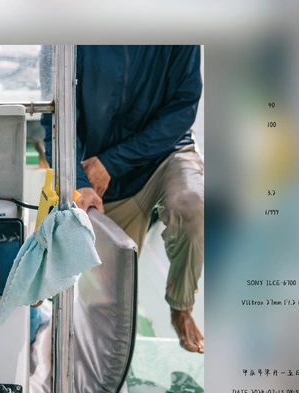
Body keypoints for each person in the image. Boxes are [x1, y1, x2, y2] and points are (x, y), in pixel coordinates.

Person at [42, 45, 205, 353]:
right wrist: (79, 184)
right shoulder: (65, 36)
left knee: (191, 203)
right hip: (98, 178)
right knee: (104, 311)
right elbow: (55, 120)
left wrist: (113, 162)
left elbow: (183, 109)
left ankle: (181, 306)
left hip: (163, 156)